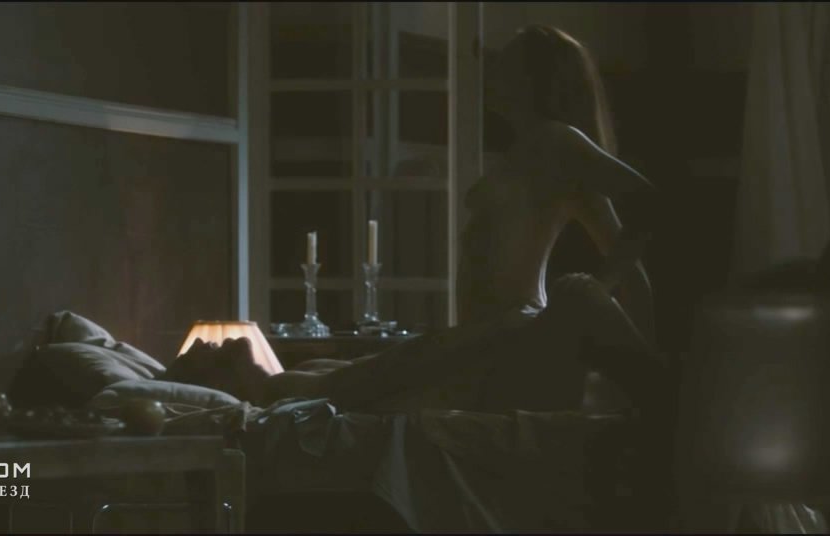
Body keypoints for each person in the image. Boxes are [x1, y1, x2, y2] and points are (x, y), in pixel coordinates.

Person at [189, 25, 669, 414]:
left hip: (508, 331)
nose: (492, 72)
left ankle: (237, 385)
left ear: (534, 79)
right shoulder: (532, 148)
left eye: (507, 64)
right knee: (337, 378)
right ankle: (234, 383)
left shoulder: (556, 141)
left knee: (341, 387)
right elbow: (629, 259)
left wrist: (598, 293)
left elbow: (647, 207)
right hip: (482, 333)